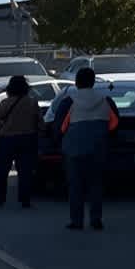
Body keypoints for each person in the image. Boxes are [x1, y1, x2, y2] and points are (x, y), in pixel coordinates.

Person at [46, 67, 119, 231]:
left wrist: (57, 143)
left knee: (75, 185)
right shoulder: (105, 100)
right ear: (93, 82)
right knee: (96, 184)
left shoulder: (69, 101)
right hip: (98, 147)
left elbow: (59, 127)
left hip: (73, 148)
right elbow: (114, 124)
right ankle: (96, 219)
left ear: (77, 82)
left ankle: (76, 221)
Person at [0, 75, 40, 207]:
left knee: (1, 171)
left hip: (6, 140)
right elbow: (39, 123)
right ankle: (25, 200)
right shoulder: (32, 102)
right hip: (27, 139)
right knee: (25, 171)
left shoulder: (5, 103)